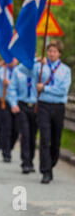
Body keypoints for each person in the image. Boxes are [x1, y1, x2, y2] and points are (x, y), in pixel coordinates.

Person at [35, 40, 71, 184]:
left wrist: (45, 88)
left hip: (58, 107)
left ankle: (52, 161)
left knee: (56, 141)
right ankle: (46, 171)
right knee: (44, 138)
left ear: (59, 54)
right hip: (44, 105)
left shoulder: (65, 70)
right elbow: (25, 68)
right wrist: (35, 59)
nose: (51, 53)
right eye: (50, 51)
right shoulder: (41, 67)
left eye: (54, 51)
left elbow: (63, 90)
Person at [7, 62, 38, 174]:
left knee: (33, 135)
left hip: (35, 106)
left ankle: (30, 160)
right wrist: (13, 103)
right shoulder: (18, 70)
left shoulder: (39, 68)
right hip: (22, 105)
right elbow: (12, 88)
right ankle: (25, 162)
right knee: (25, 134)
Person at [0, 58, 19, 162]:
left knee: (16, 130)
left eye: (14, 58)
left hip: (17, 104)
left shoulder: (20, 70)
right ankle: (6, 153)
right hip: (3, 102)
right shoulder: (2, 70)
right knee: (6, 128)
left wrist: (10, 83)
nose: (12, 60)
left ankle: (9, 147)